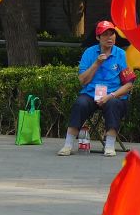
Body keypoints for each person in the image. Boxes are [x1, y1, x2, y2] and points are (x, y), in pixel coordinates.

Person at [57, 20, 135, 158]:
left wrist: (111, 95)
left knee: (113, 104)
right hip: (91, 93)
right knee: (80, 103)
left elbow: (129, 85)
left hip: (113, 95)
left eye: (112, 34)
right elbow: (82, 80)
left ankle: (109, 146)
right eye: (105, 35)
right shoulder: (89, 53)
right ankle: (68, 145)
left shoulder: (122, 55)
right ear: (98, 37)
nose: (110, 38)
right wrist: (97, 63)